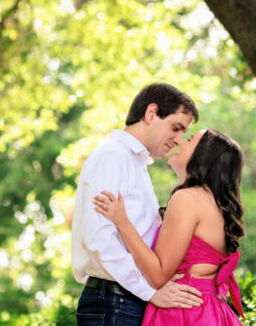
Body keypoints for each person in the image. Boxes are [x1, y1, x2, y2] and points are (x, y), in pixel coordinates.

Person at [72, 83, 204, 326]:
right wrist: (151, 292)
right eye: (176, 128)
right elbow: (100, 241)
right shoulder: (113, 156)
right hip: (115, 303)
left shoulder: (136, 164)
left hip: (125, 301)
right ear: (151, 113)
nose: (178, 140)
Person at [93, 128, 246, 326]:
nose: (180, 142)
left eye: (190, 139)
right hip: (210, 311)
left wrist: (122, 222)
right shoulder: (215, 204)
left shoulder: (189, 198)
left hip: (184, 313)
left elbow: (158, 275)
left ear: (205, 156)